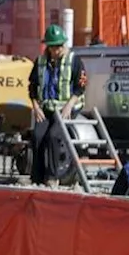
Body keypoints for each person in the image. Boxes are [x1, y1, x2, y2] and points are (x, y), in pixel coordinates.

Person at [26, 24, 88, 186]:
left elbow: (80, 86)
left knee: (54, 136)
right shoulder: (40, 62)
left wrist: (69, 106)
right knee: (37, 136)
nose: (58, 50)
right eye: (55, 47)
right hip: (46, 108)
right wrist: (36, 107)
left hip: (67, 108)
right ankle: (37, 177)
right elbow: (32, 86)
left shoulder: (74, 61)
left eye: (61, 46)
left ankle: (53, 176)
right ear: (49, 47)